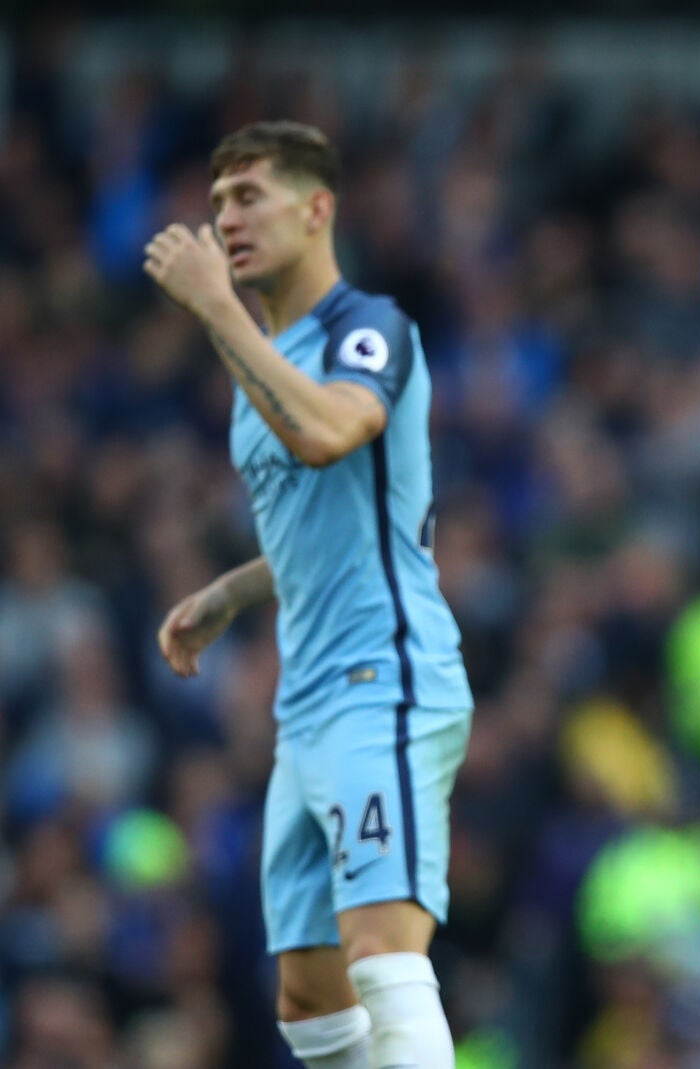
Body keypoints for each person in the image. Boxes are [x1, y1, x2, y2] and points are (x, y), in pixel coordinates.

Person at [143, 121, 471, 1069]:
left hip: (387, 680)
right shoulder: (268, 357)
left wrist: (217, 310)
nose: (226, 220)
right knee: (308, 997)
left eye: (248, 197)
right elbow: (327, 524)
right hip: (309, 701)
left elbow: (331, 433)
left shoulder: (367, 327)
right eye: (215, 205)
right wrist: (234, 592)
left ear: (316, 207)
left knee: (381, 953)